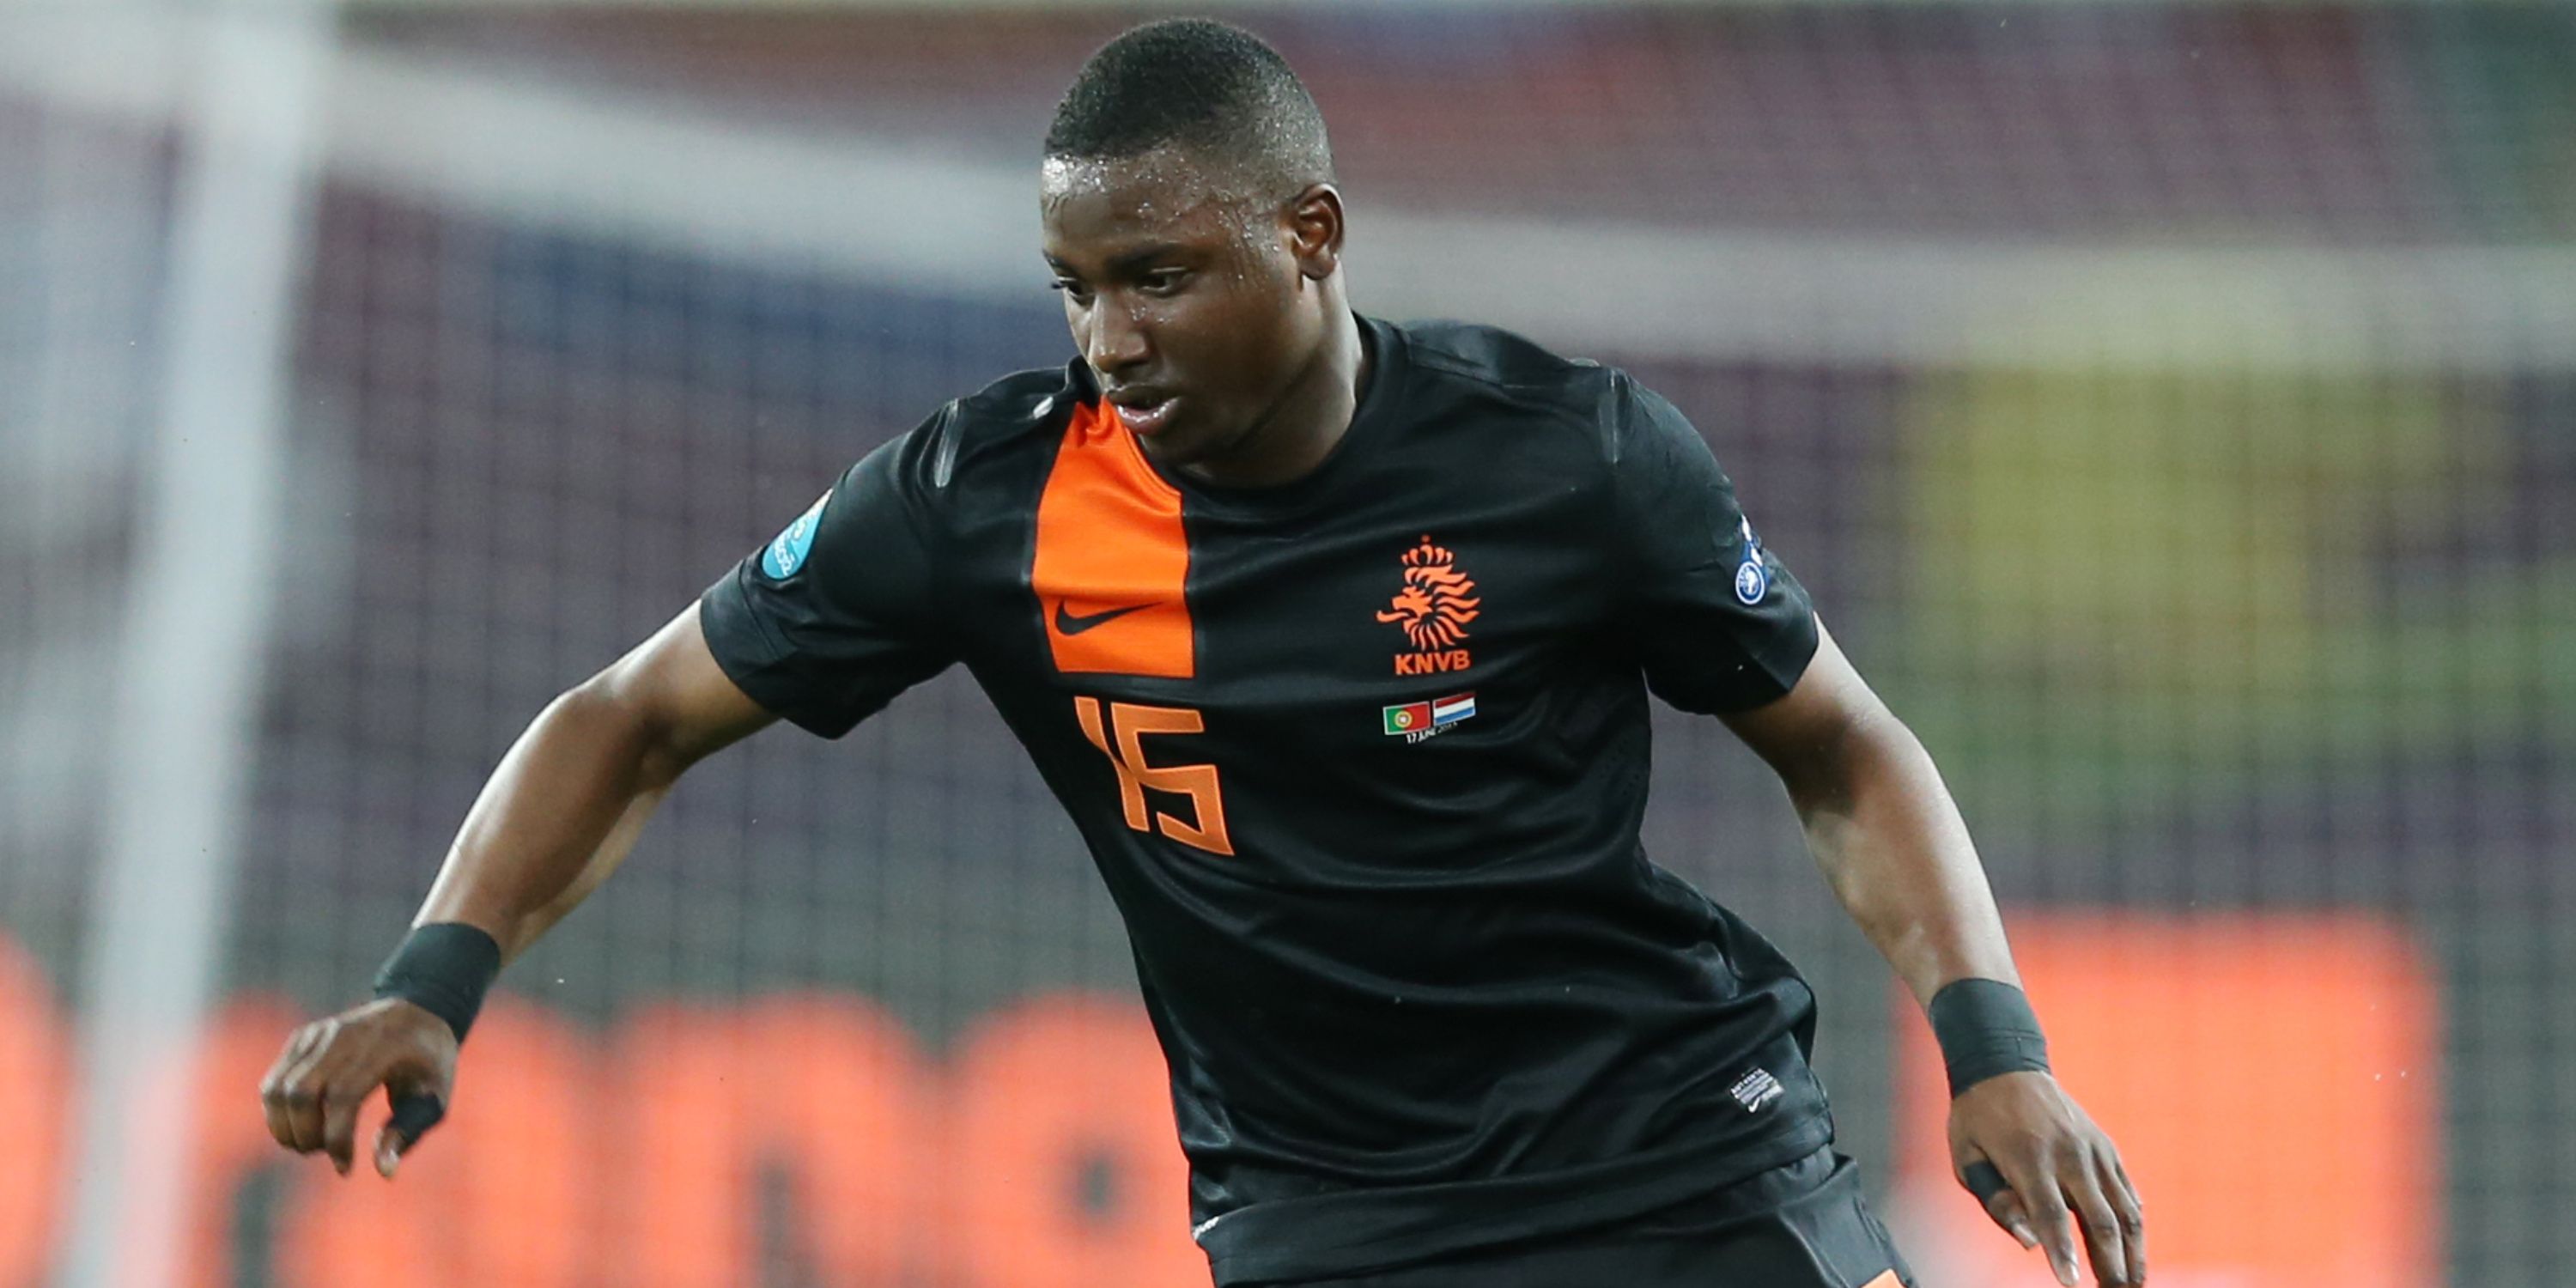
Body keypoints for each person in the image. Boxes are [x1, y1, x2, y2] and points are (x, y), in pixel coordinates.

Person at [260, 18, 2144, 1288]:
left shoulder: (1565, 455)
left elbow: (1842, 745)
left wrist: (1995, 1048)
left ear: (1309, 235)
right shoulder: (987, 497)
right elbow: (633, 715)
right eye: (1079, 288)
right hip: (1330, 1212)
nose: (1111, 337)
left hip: (1677, 1153)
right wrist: (437, 976)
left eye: (1161, 274)